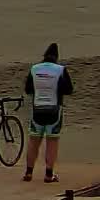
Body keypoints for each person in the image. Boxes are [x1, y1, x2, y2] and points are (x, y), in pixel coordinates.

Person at [22, 43, 74, 183]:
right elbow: (69, 90)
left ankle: (28, 172)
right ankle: (48, 174)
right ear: (56, 57)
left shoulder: (34, 69)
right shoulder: (61, 70)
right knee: (52, 141)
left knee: (33, 141)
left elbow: (28, 89)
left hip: (37, 109)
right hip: (54, 110)